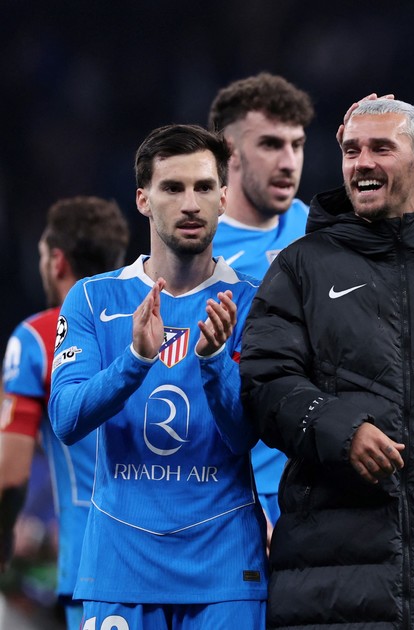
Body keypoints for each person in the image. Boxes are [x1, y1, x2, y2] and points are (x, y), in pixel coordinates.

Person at [239, 98, 414, 628]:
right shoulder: (303, 264)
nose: (362, 162)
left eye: (380, 148)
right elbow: (265, 381)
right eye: (351, 150)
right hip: (328, 580)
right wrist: (339, 429)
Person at [49, 124, 267, 629]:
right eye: (172, 188)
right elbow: (65, 419)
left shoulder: (254, 302)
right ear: (143, 199)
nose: (190, 203)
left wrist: (214, 362)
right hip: (120, 564)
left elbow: (244, 434)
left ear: (223, 198)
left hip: (225, 568)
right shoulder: (92, 298)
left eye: (203, 187)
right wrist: (134, 361)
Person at [1, 196, 129, 629]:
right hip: (172, 560)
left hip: (89, 568)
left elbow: (9, 476)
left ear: (57, 261)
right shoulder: (154, 326)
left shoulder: (37, 338)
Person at [208, 72, 315, 528]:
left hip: (313, 487)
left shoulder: (314, 227)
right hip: (236, 494)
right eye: (271, 144)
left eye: (297, 144)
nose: (289, 162)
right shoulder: (200, 253)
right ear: (229, 152)